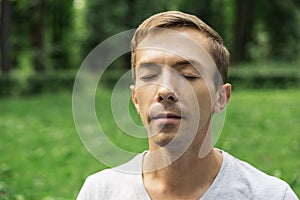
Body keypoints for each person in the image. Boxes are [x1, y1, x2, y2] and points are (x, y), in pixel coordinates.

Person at [77, 11, 298, 200]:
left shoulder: (270, 195)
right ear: (136, 99)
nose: (165, 91)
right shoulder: (99, 192)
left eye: (188, 75)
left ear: (221, 97)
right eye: (150, 75)